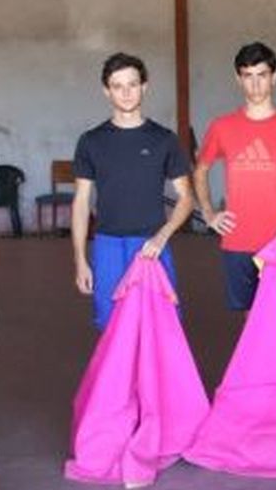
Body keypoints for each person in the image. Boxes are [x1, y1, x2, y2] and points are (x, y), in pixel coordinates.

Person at [193, 42, 276, 312]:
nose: (255, 84)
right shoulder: (222, 127)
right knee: (248, 320)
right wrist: (208, 213)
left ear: (274, 78)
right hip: (237, 241)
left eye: (262, 75)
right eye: (248, 76)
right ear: (238, 80)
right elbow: (200, 171)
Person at [71, 52, 194, 329]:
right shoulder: (91, 141)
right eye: (117, 86)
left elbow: (186, 198)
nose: (126, 93)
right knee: (111, 325)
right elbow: (81, 203)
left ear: (144, 87)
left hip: (151, 245)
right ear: (106, 91)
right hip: (107, 245)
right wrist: (80, 259)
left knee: (159, 325)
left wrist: (162, 236)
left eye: (132, 84)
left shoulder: (164, 140)